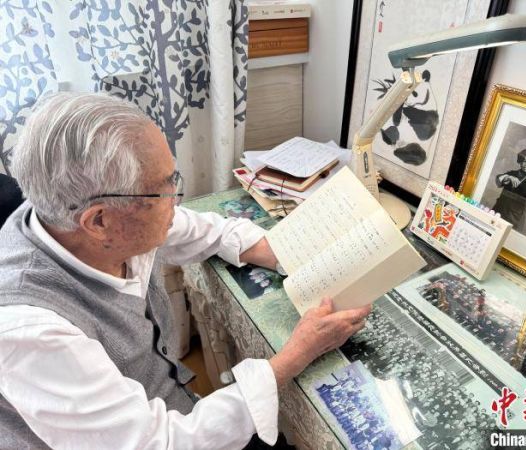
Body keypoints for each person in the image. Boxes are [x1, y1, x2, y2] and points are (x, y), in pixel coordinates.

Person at [0, 92, 371, 449]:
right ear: (99, 221)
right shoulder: (31, 334)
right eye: (165, 188)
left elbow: (202, 229)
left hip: (169, 405)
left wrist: (286, 255)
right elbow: (159, 443)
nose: (176, 200)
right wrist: (295, 356)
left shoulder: (73, 217)